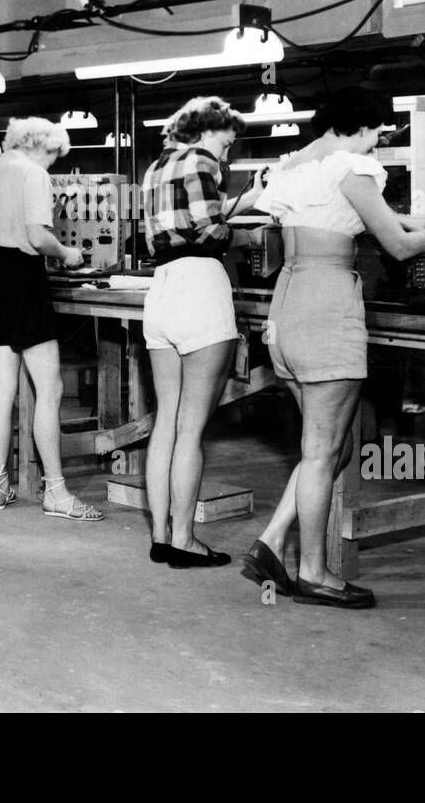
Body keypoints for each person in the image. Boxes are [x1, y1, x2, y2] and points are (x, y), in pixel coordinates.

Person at [242, 87, 425, 608]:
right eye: (379, 131)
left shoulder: (294, 165)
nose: (380, 143)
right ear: (361, 126)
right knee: (321, 452)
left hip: (287, 307)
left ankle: (270, 543)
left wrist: (405, 221)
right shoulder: (353, 166)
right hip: (327, 302)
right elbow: (398, 248)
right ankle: (314, 574)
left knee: (328, 448)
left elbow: (337, 219)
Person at [0, 116, 102, 521]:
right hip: (22, 279)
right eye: (55, 156)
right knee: (50, 389)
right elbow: (38, 238)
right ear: (42, 146)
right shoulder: (32, 174)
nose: (53, 165)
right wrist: (68, 254)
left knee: (3, 387)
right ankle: (56, 492)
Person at [139, 97, 264, 567]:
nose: (227, 154)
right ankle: (186, 541)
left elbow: (186, 221)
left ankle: (160, 535)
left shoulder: (157, 166)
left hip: (163, 290)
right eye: (227, 142)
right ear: (210, 131)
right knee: (192, 431)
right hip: (200, 286)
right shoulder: (204, 162)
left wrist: (244, 200)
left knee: (166, 422)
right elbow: (211, 232)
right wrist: (250, 235)